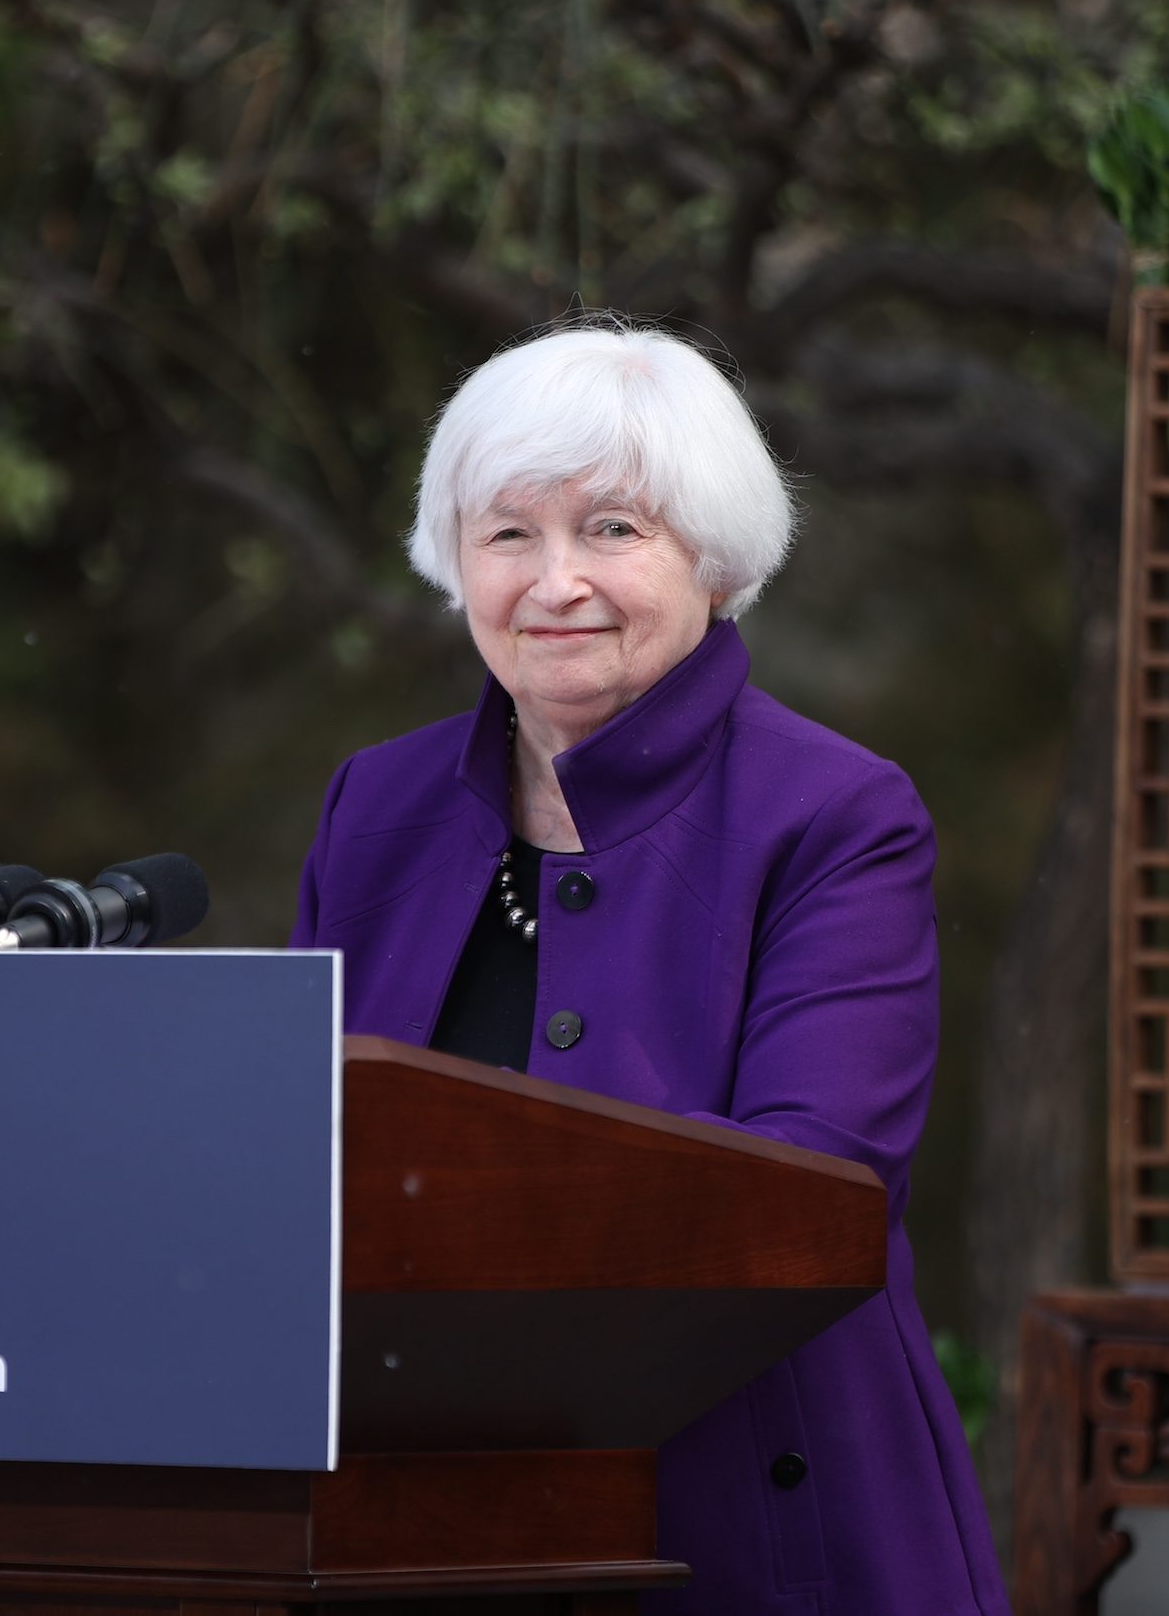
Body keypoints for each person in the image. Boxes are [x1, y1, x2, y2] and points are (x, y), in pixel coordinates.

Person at [289, 318, 1010, 1615]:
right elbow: (287, 1151)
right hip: (414, 1526)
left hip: (755, 1517)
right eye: (509, 534)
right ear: (456, 566)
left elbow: (815, 1188)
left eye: (613, 530)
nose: (556, 581)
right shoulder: (374, 806)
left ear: (713, 561)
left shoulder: (839, 813)